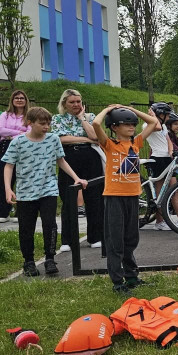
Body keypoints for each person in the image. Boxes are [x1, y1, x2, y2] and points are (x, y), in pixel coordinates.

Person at [3, 107, 87, 277]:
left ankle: (50, 258)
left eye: (48, 123)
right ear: (30, 123)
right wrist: (8, 188)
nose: (46, 127)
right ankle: (29, 261)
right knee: (26, 228)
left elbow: (60, 160)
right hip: (26, 191)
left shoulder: (53, 139)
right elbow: (9, 165)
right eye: (42, 123)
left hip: (48, 189)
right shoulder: (18, 142)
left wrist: (76, 177)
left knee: (50, 224)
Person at [92, 104, 160, 293]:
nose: (132, 127)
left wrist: (130, 109)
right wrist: (107, 109)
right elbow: (96, 124)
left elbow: (153, 122)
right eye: (126, 124)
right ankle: (117, 281)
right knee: (116, 241)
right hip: (114, 197)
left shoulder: (135, 143)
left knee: (131, 239)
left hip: (133, 196)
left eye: (133, 124)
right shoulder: (109, 145)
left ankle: (132, 277)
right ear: (114, 127)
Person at [51, 89, 105, 252]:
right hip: (69, 157)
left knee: (95, 197)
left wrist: (82, 119)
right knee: (69, 198)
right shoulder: (57, 119)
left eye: (78, 101)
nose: (76, 104)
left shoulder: (90, 117)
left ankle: (95, 236)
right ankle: (67, 239)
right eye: (72, 102)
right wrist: (85, 139)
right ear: (64, 104)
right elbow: (61, 139)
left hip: (91, 158)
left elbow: (95, 137)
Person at [0, 89, 30, 223]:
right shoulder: (5, 114)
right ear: (12, 100)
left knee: (22, 178)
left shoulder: (29, 115)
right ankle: (4, 212)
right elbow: (0, 130)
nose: (19, 100)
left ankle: (20, 211)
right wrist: (20, 131)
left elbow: (30, 132)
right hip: (6, 147)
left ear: (25, 100)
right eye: (16, 98)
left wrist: (13, 134)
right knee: (4, 179)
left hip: (24, 148)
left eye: (22, 98)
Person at [146, 102, 178, 231]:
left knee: (173, 188)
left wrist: (171, 152)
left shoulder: (163, 126)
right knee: (160, 190)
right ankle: (159, 221)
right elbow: (157, 128)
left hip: (166, 158)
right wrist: (153, 116)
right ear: (159, 115)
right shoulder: (149, 124)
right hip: (157, 158)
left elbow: (168, 141)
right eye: (166, 115)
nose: (168, 118)